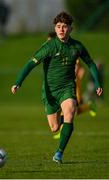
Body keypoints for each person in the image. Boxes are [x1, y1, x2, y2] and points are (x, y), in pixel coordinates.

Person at [11, 12, 103, 163]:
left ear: (70, 29)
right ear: (55, 28)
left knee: (71, 109)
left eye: (64, 27)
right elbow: (30, 64)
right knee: (54, 128)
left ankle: (59, 153)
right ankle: (60, 120)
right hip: (50, 92)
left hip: (67, 88)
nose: (61, 29)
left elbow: (91, 63)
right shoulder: (49, 46)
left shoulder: (77, 46)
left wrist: (98, 83)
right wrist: (18, 82)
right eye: (58, 26)